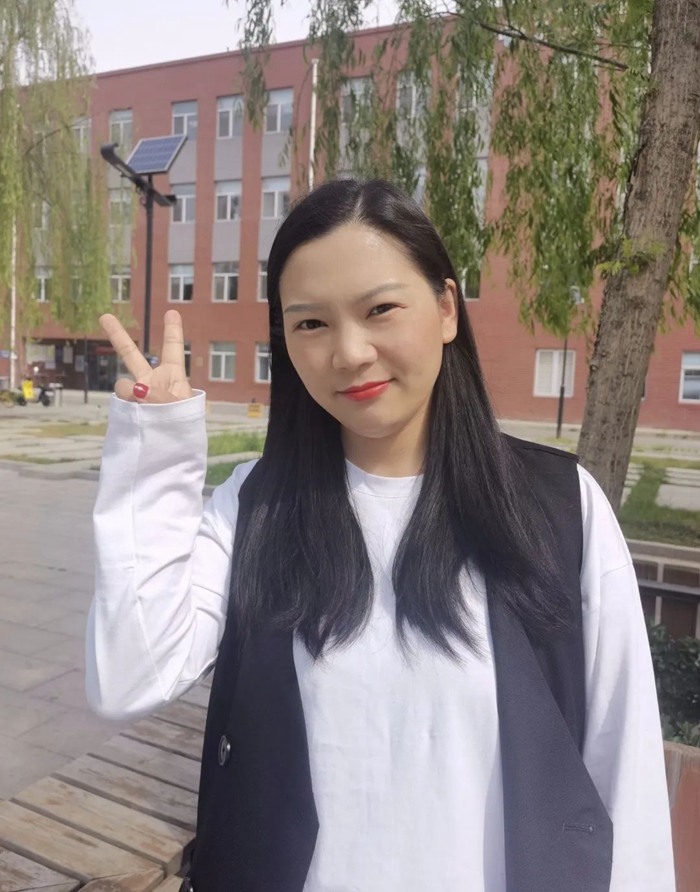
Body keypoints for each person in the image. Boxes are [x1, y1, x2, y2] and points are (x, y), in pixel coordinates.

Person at [86, 179, 675, 892]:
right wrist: (155, 451)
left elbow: (624, 769)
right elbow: (130, 678)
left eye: (380, 310)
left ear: (447, 308)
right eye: (310, 323)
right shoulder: (258, 506)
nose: (350, 352)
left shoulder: (558, 506)